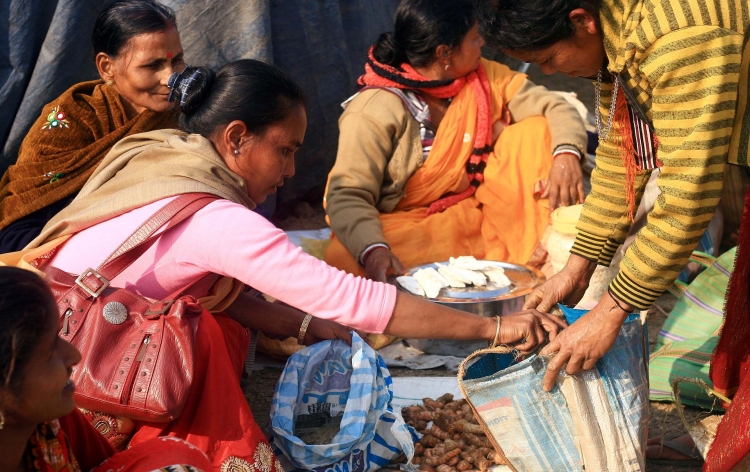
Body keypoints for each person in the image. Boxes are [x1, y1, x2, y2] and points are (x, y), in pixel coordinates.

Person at [21, 59, 566, 469]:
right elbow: (359, 301)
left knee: (214, 318)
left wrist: (305, 325)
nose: (291, 169)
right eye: (285, 150)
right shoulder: (219, 220)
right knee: (210, 332)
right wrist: (492, 325)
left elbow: (212, 289)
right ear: (236, 138)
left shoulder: (163, 153)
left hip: (69, 328)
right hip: (91, 370)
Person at [481, 0, 750, 469]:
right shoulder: (616, 41)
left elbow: (688, 195)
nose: (550, 72)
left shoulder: (673, 39)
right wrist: (577, 267)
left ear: (581, 21)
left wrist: (610, 313)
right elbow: (619, 155)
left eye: (548, 60)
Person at [323, 0, 589, 282]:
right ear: (444, 53)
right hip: (411, 227)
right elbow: (348, 194)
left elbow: (555, 107)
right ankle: (508, 262)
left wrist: (567, 155)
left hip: (483, 215)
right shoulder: (373, 110)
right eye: (475, 39)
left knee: (535, 130)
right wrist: (374, 250)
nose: (483, 43)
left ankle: (530, 253)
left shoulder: (486, 76)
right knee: (344, 257)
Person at [0, 0, 183, 253]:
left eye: (177, 61)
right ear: (107, 67)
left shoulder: (189, 115)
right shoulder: (70, 119)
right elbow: (16, 229)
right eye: (152, 65)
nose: (170, 77)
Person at [0, 267, 214, 471]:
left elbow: (107, 463)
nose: (74, 355)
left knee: (174, 455)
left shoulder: (53, 420)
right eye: (49, 352)